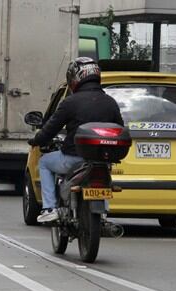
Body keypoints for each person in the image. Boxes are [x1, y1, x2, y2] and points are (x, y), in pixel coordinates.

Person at [28, 57, 124, 224]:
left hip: (73, 159)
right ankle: (103, 214)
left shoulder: (70, 102)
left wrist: (36, 140)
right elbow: (120, 128)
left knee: (44, 162)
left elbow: (50, 129)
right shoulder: (110, 103)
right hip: (102, 160)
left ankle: (49, 208)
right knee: (103, 177)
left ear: (76, 78)